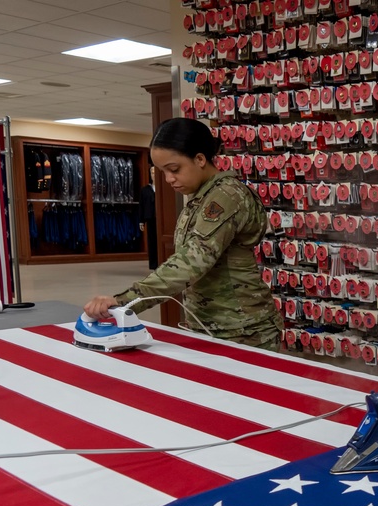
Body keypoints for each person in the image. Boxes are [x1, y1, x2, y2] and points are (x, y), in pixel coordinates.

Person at [84, 118, 282, 351]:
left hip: (243, 330)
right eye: (163, 172)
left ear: (199, 159)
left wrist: (124, 301)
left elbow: (192, 262)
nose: (169, 179)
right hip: (212, 324)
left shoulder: (226, 196)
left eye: (174, 169)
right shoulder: (202, 196)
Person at [139, 165, 158, 269]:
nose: (154, 175)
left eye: (155, 172)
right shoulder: (145, 190)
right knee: (152, 241)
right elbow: (141, 205)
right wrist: (141, 221)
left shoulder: (162, 189)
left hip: (161, 219)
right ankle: (153, 264)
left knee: (161, 241)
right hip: (150, 218)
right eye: (152, 172)